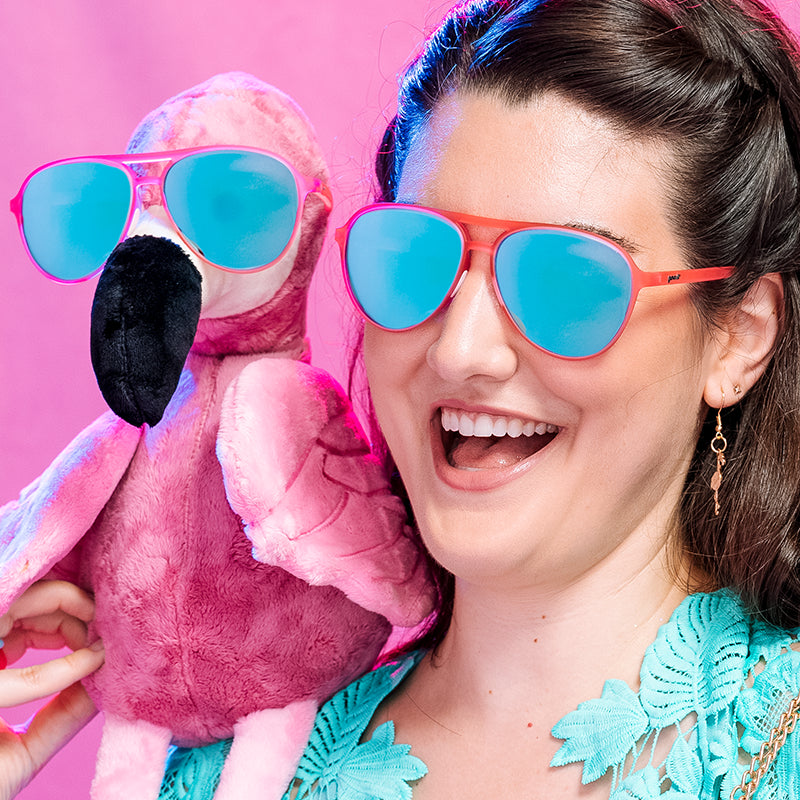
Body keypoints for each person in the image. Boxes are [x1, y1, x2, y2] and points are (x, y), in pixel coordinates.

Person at [3, 0, 800, 797]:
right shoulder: (228, 776)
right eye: (417, 259)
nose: (460, 350)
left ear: (737, 338)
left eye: (564, 279)